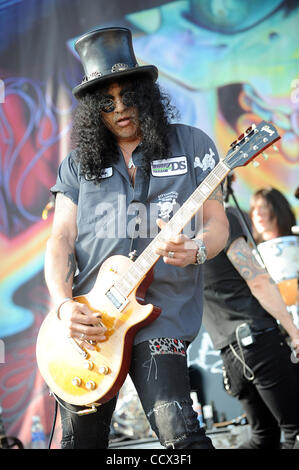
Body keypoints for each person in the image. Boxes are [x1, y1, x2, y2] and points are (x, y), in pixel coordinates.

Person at [44, 27, 229, 449]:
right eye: (107, 102)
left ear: (146, 93)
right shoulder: (77, 165)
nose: (121, 108)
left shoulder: (191, 144)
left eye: (129, 95)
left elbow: (218, 223)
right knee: (80, 445)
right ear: (94, 110)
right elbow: (60, 239)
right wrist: (62, 305)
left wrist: (198, 248)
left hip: (159, 316)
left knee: (179, 433)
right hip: (90, 321)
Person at [202, 180, 299, 449]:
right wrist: (293, 330)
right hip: (258, 340)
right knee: (295, 430)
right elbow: (257, 281)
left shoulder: (184, 232)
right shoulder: (224, 217)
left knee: (262, 437)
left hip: (230, 354)